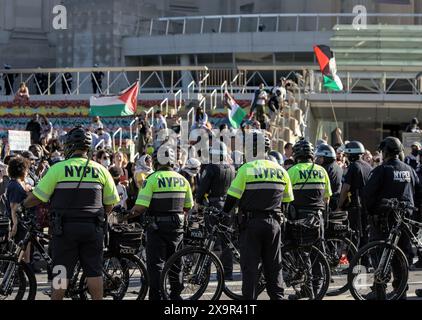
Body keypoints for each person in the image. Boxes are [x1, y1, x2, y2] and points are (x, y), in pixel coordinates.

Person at [23, 126, 120, 300]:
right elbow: (110, 203)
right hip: (93, 229)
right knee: (94, 271)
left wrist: (22, 205)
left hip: (64, 230)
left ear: (69, 146)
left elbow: (37, 197)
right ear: (88, 148)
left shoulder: (58, 168)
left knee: (61, 272)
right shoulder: (101, 170)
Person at [221, 132, 293, 300]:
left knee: (250, 270)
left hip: (251, 224)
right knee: (274, 268)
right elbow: (288, 201)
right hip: (274, 223)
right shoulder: (281, 171)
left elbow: (232, 197)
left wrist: (224, 214)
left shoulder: (246, 169)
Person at [125, 146, 193, 300]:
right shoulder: (183, 180)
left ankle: (157, 295)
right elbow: (188, 206)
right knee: (176, 263)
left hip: (157, 228)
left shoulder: (152, 179)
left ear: (156, 161)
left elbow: (140, 207)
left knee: (156, 265)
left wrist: (126, 216)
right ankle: (175, 295)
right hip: (177, 228)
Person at [364, 137, 419, 300]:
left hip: (383, 220)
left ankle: (379, 289)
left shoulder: (382, 170)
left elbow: (368, 195)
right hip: (405, 221)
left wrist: (371, 213)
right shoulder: (409, 169)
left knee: (381, 254)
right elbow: (419, 193)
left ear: (385, 152)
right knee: (402, 255)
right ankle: (400, 289)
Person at [286, 139, 332, 299]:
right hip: (318, 219)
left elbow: (286, 198)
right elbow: (327, 199)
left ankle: (307, 289)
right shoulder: (322, 171)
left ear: (296, 155)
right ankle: (316, 290)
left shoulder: (292, 171)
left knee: (301, 254)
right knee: (317, 256)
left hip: (299, 219)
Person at [196, 141, 236, 279]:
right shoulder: (232, 168)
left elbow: (202, 190)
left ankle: (205, 273)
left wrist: (199, 201)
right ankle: (227, 272)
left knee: (210, 240)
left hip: (213, 206)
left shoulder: (211, 168)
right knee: (227, 240)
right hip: (228, 207)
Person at [337, 141, 373, 248]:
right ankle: (365, 261)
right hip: (367, 206)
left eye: (347, 154)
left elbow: (345, 188)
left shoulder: (353, 167)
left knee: (354, 237)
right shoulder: (368, 166)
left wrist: (339, 206)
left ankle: (356, 262)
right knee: (365, 236)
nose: (346, 157)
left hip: (355, 207)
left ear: (351, 155)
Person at [315, 143, 343, 211]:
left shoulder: (324, 169)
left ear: (325, 157)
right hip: (336, 201)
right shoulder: (337, 167)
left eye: (319, 157)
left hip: (328, 203)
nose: (317, 159)